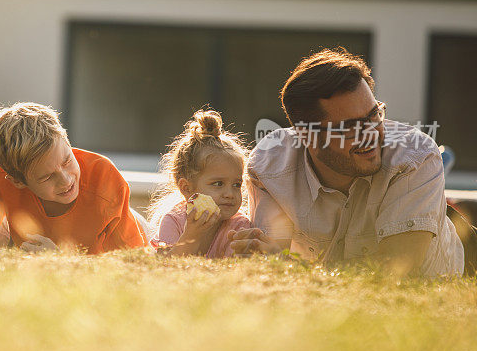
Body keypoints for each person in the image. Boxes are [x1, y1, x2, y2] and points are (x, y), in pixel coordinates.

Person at [229, 48, 464, 277]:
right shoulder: (271, 165)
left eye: (374, 115)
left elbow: (396, 272)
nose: (371, 134)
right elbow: (271, 265)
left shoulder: (416, 157)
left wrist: (290, 265)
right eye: (351, 128)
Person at [0, 102, 147, 253]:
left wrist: (60, 259)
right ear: (17, 181)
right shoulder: (2, 176)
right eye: (47, 177)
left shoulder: (104, 176)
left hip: (133, 234)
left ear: (67, 142)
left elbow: (134, 261)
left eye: (67, 161)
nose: (66, 180)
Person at [149, 108, 251, 257]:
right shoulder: (174, 220)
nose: (230, 194)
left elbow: (232, 273)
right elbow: (165, 268)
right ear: (187, 188)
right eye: (218, 184)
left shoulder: (239, 226)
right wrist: (191, 236)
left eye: (236, 185)